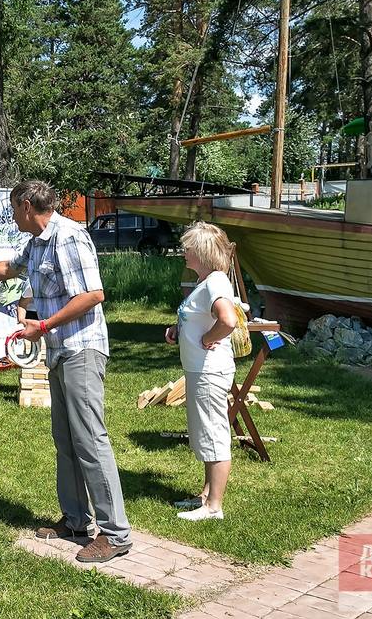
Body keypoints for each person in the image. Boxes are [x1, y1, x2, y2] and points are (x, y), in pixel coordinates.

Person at [0, 180, 132, 563]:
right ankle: (75, 521)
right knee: (66, 440)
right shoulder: (37, 242)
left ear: (27, 205)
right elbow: (7, 269)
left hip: (82, 349)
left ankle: (116, 534)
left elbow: (93, 295)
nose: (11, 215)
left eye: (13, 208)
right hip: (59, 351)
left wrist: (43, 325)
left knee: (90, 440)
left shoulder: (68, 236)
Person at [164, 221, 238, 521]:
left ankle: (213, 507)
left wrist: (208, 339)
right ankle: (206, 495)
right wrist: (178, 329)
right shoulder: (205, 281)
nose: (184, 251)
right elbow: (199, 316)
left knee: (213, 434)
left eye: (188, 247)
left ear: (203, 251)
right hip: (199, 370)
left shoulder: (216, 282)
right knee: (204, 433)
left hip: (209, 371)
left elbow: (228, 320)